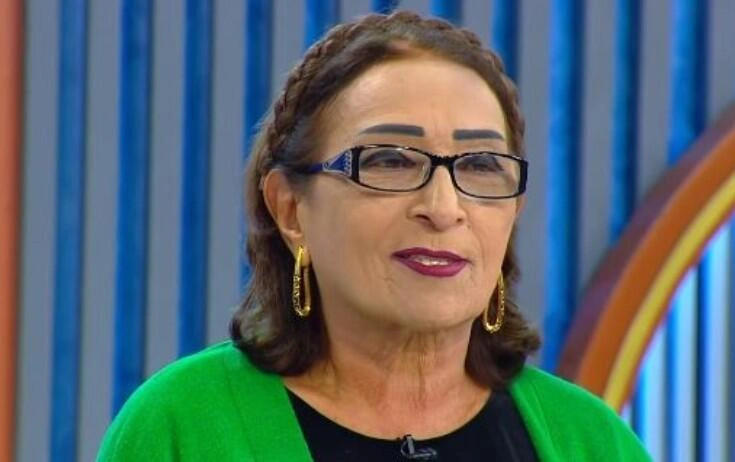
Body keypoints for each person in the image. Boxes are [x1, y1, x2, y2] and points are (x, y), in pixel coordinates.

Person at [98, 10, 650, 461]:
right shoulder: (184, 426)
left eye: (481, 165)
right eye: (389, 161)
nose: (443, 208)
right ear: (290, 210)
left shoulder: (591, 442)